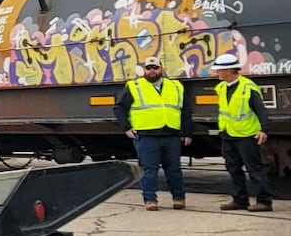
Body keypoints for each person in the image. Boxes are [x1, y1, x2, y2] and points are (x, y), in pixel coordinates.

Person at [115, 56, 192, 211]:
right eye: (148, 68)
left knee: (174, 170)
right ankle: (150, 200)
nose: (152, 71)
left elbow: (185, 111)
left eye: (155, 68)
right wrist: (126, 127)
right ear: (144, 70)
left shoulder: (176, 86)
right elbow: (119, 107)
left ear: (161, 69)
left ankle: (179, 198)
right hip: (146, 135)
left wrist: (187, 132)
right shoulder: (134, 86)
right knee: (149, 170)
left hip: (171, 134)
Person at [211, 53, 273, 212]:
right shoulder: (221, 87)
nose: (217, 73)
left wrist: (264, 129)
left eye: (219, 70)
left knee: (254, 169)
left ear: (229, 71)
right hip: (228, 134)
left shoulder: (248, 87)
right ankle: (240, 200)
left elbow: (260, 110)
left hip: (246, 135)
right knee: (233, 168)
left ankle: (264, 201)